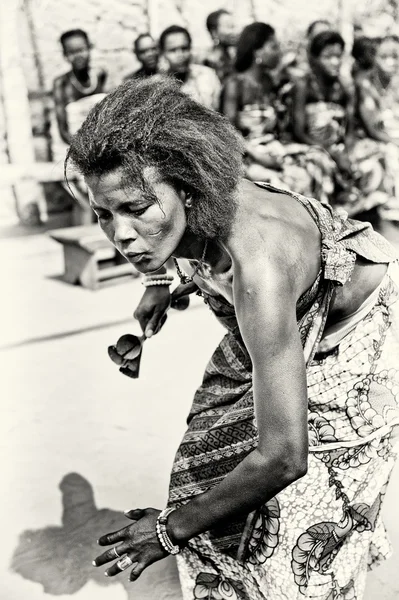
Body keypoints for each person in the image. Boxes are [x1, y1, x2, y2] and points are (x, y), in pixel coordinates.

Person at [67, 77, 399, 600]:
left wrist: (167, 531)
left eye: (135, 208)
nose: (121, 235)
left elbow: (285, 456)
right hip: (285, 319)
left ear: (190, 188)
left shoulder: (259, 271)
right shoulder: (192, 206)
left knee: (305, 528)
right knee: (212, 467)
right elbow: (166, 235)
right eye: (104, 214)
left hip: (352, 339)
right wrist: (158, 284)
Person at [221, 22, 335, 202]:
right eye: (273, 46)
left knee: (318, 158)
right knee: (295, 177)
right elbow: (228, 132)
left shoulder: (271, 82)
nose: (279, 51)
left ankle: (321, 221)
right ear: (257, 51)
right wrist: (258, 155)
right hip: (248, 154)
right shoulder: (235, 84)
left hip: (274, 148)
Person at [292, 30, 393, 217]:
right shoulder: (303, 87)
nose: (335, 62)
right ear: (314, 59)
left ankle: (364, 214)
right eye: (328, 57)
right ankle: (321, 219)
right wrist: (331, 153)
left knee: (377, 157)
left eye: (338, 56)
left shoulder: (344, 88)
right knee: (319, 165)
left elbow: (349, 130)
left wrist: (348, 151)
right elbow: (299, 131)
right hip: (312, 147)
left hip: (338, 148)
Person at [53, 29, 107, 224]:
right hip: (71, 148)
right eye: (72, 52)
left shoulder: (100, 75)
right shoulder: (61, 84)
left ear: (89, 48)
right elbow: (62, 130)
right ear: (65, 55)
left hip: (98, 146)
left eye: (82, 49)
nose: (79, 56)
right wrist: (84, 150)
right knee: (84, 203)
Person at [356, 35, 399, 222]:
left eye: (395, 56)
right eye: (384, 56)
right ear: (374, 57)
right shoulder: (365, 84)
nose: (391, 62)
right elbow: (373, 130)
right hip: (377, 139)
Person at [159, 25, 221, 110]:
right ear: (163, 53)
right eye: (173, 50)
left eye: (184, 48)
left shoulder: (207, 76)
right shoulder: (158, 85)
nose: (180, 55)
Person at [203, 9, 237, 83]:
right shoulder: (211, 60)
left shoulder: (234, 55)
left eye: (234, 26)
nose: (235, 31)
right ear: (214, 33)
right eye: (229, 26)